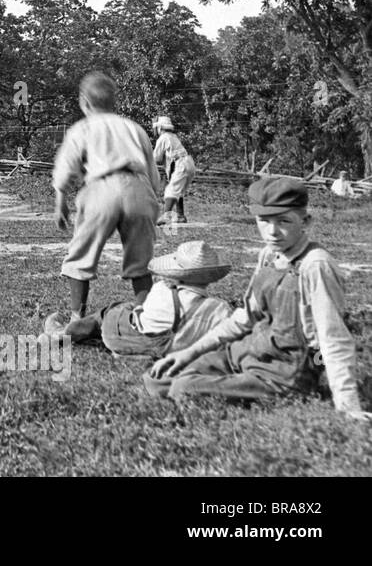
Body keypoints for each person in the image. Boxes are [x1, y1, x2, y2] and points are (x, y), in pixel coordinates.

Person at [146, 177, 372, 421]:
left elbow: (334, 338)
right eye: (264, 221)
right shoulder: (268, 255)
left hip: (282, 372)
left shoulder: (315, 266)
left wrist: (347, 405)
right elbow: (243, 318)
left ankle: (255, 390)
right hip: (247, 352)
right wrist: (188, 353)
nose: (272, 231)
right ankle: (227, 381)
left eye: (284, 221)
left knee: (183, 388)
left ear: (305, 222)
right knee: (158, 378)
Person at [53, 71, 161, 330]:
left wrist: (60, 199)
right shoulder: (134, 128)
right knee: (141, 259)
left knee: (81, 254)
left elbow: (66, 165)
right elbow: (152, 170)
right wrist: (152, 199)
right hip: (138, 187)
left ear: (84, 102)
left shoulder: (83, 128)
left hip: (102, 188)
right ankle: (143, 318)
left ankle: (76, 318)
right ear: (115, 102)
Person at [43, 240, 233, 358]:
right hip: (174, 349)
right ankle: (131, 352)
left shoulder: (162, 290)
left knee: (110, 313)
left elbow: (142, 319)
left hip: (135, 338)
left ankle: (63, 334)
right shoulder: (219, 309)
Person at [152, 116, 196, 224]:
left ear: (160, 128)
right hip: (188, 162)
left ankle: (166, 216)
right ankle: (180, 216)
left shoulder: (163, 138)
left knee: (170, 191)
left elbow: (156, 158)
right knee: (178, 191)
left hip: (180, 163)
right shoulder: (173, 136)